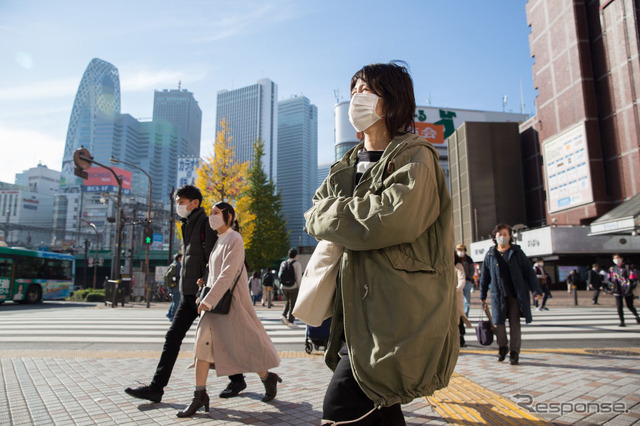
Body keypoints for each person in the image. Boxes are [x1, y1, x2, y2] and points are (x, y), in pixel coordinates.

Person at [304, 62, 458, 425]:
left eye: (365, 90)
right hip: (356, 317)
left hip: (395, 319)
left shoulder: (415, 157)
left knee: (340, 408)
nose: (356, 96)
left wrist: (335, 216)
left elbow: (387, 219)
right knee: (382, 408)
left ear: (389, 103)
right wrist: (339, 216)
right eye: (353, 88)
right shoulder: (345, 165)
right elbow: (313, 216)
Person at [125, 185, 248, 403]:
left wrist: (207, 290)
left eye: (181, 202)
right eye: (178, 202)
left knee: (219, 339)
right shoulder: (188, 224)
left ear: (195, 203)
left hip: (202, 293)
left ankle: (250, 377)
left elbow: (214, 258)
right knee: (174, 337)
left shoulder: (206, 224)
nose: (178, 206)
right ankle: (156, 388)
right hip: (188, 293)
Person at [177, 202, 281, 418]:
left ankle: (266, 377)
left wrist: (209, 299)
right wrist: (204, 285)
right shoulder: (219, 240)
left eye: (216, 213)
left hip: (230, 304)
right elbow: (216, 273)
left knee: (245, 346)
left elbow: (229, 273)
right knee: (202, 346)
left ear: (229, 216)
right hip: (214, 304)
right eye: (211, 213)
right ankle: (199, 395)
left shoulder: (235, 238)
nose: (212, 217)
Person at [479, 223, 542, 366]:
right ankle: (502, 347)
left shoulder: (517, 253)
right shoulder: (490, 254)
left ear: (510, 237)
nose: (502, 237)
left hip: (515, 295)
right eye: (499, 234)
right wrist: (482, 295)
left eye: (505, 234)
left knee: (515, 325)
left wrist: (536, 291)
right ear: (494, 236)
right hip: (498, 295)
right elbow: (484, 277)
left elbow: (529, 273)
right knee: (498, 324)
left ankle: (514, 352)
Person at [608, 254, 640, 327]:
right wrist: (611, 286)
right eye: (615, 258)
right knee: (619, 306)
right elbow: (609, 279)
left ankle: (636, 316)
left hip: (627, 289)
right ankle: (622, 321)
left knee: (630, 305)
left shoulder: (627, 267)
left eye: (618, 258)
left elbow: (633, 278)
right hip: (617, 289)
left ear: (622, 258)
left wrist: (630, 287)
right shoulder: (612, 268)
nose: (617, 260)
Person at [278, 248, 302, 327]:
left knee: (287, 302)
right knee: (293, 304)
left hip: (283, 287)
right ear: (296, 255)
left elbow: (279, 275)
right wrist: (299, 287)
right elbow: (298, 277)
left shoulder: (283, 263)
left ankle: (283, 315)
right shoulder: (297, 264)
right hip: (293, 287)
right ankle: (291, 321)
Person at [454, 252, 472, 347]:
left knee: (458, 315)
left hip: (456, 294)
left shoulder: (458, 265)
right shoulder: (444, 265)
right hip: (446, 295)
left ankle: (461, 337)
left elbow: (462, 279)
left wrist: (458, 288)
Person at [456, 243, 474, 317]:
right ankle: (459, 315)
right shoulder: (455, 259)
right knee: (458, 300)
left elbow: (472, 270)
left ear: (464, 250)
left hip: (467, 282)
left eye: (461, 250)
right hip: (457, 283)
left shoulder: (469, 259)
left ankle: (466, 315)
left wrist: (469, 278)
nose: (460, 251)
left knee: (467, 300)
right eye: (458, 250)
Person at [165, 253, 183, 321]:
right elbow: (179, 276)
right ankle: (173, 315)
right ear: (179, 258)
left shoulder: (172, 265)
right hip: (176, 285)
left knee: (174, 300)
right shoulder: (178, 265)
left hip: (172, 285)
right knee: (176, 301)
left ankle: (169, 313)